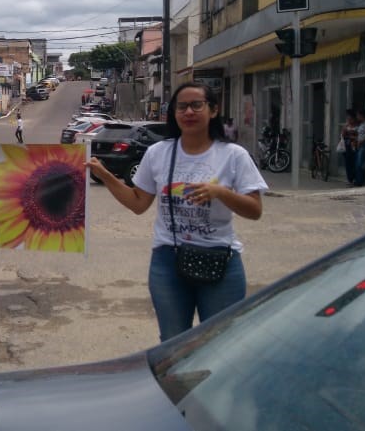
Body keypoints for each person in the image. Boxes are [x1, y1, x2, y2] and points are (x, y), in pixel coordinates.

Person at [86, 82, 266, 342]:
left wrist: (221, 193)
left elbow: (255, 210)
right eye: (181, 107)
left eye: (197, 105)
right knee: (172, 341)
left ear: (213, 110)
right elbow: (138, 204)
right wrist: (105, 175)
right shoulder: (158, 153)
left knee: (221, 341)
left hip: (221, 260)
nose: (188, 112)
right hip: (168, 262)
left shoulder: (233, 155)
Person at [339, 109, 359, 186]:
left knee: (355, 163)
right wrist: (346, 134)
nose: (349, 121)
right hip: (347, 146)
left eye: (351, 119)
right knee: (348, 163)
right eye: (348, 119)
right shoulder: (346, 126)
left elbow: (358, 136)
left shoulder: (358, 126)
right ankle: (350, 179)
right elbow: (343, 135)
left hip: (355, 145)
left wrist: (351, 135)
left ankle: (355, 178)